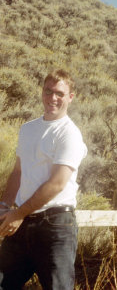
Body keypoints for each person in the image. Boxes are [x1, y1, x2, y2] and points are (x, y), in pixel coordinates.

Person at [0, 69, 87, 290]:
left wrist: (18, 214)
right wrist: (4, 206)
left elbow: (57, 183)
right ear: (42, 92)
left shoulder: (69, 134)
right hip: (22, 222)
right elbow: (18, 172)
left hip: (55, 225)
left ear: (70, 97)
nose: (53, 98)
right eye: (48, 91)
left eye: (59, 93)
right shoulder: (28, 129)